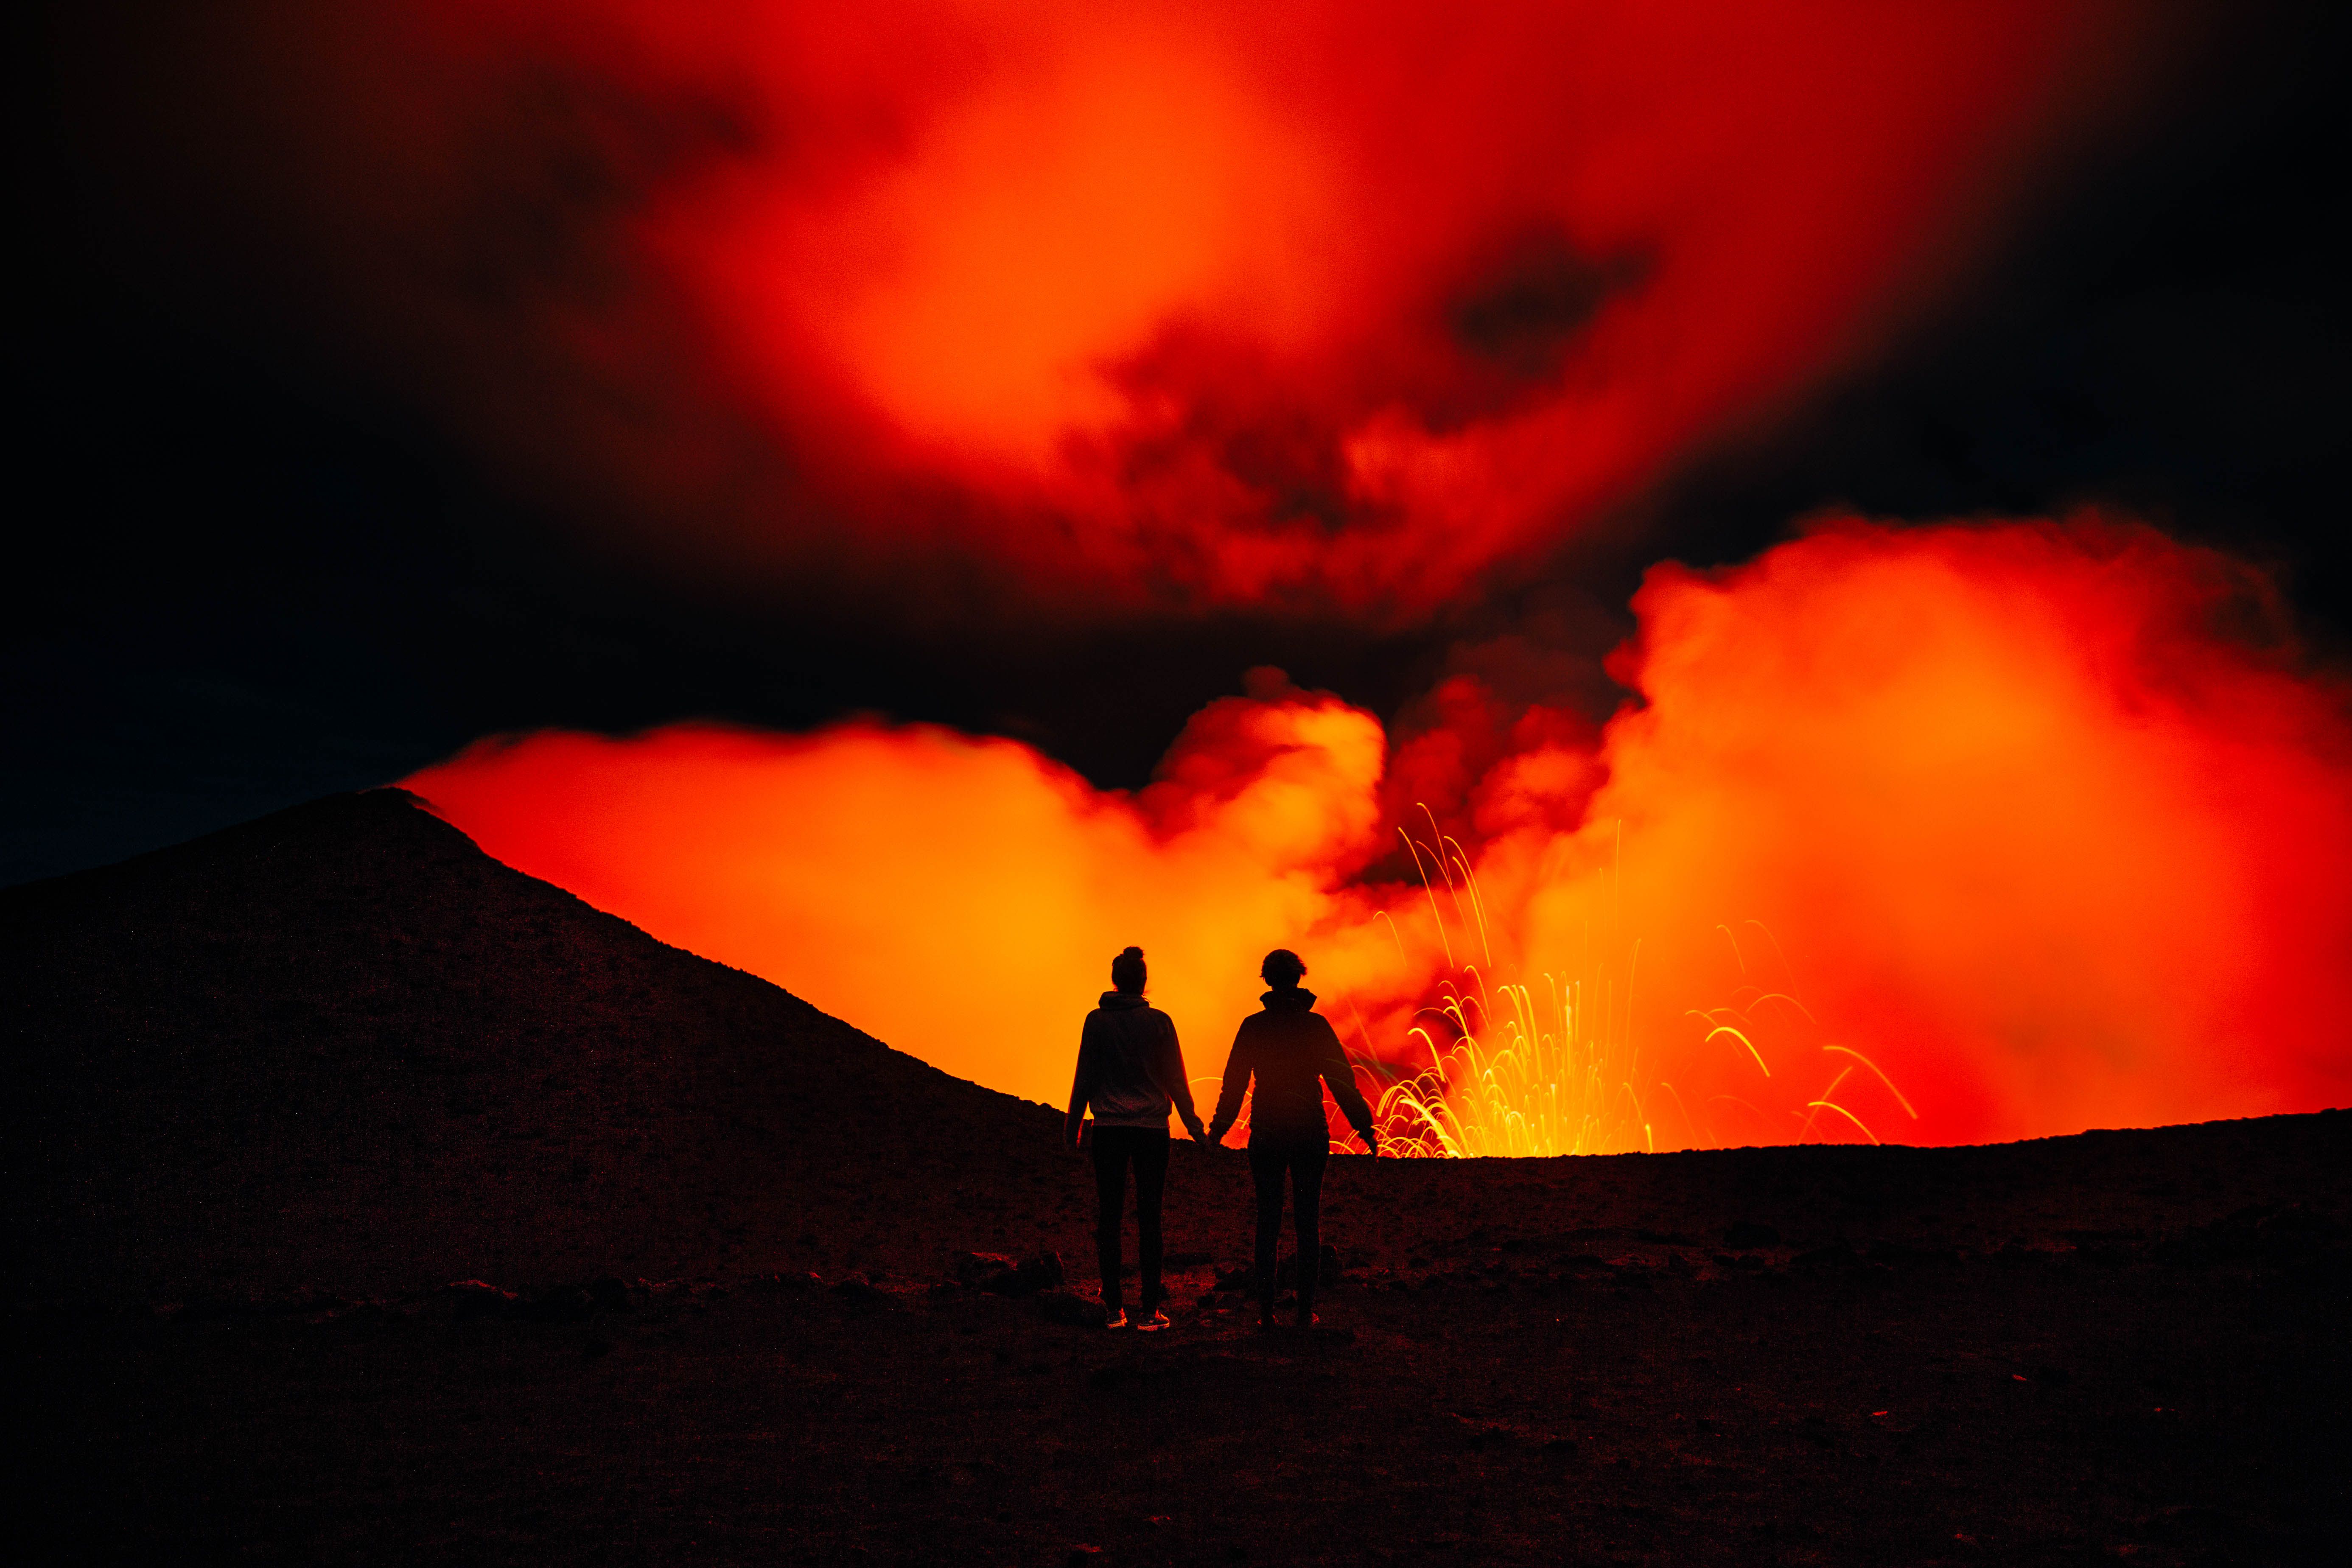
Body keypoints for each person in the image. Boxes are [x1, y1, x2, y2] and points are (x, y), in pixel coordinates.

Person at [1205, 948, 1378, 1330]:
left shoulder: (1254, 1027)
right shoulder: (1316, 1027)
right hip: (1309, 1132)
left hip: (1267, 1132)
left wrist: (1216, 1131)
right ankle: (1304, 1312)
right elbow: (1341, 1081)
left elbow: (1234, 1084)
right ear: (1299, 979)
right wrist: (1364, 1126)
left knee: (1268, 1220)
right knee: (1307, 1221)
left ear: (1267, 980)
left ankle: (1266, 1312)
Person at [1066, 945, 1207, 1330]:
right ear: (1144, 982)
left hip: (1108, 1130)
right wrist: (1195, 1128)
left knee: (1109, 1216)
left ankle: (1114, 1308)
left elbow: (1085, 1076)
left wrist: (1073, 1127)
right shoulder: (1160, 1022)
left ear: (1115, 981)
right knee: (1150, 1218)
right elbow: (1176, 1080)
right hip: (1151, 1131)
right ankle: (1149, 1310)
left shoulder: (1096, 1022)